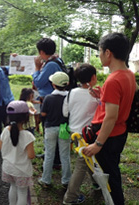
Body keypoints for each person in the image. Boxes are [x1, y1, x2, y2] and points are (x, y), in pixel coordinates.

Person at [83, 33, 136, 205]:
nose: (99, 56)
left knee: (110, 180)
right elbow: (120, 103)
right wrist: (103, 97)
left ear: (108, 53)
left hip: (108, 136)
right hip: (120, 133)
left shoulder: (113, 80)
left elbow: (111, 117)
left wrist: (98, 144)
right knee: (113, 173)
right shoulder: (128, 74)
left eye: (99, 52)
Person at [62, 64, 99, 204]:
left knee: (89, 157)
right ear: (93, 78)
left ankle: (96, 183)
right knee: (82, 164)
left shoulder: (71, 92)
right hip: (88, 134)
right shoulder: (95, 95)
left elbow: (65, 113)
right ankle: (70, 198)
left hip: (73, 132)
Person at [32, 38, 63, 167]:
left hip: (49, 101)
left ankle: (54, 159)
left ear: (42, 52)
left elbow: (39, 82)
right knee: (51, 128)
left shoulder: (50, 65)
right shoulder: (57, 60)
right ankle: (50, 154)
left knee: (49, 128)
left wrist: (37, 68)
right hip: (55, 100)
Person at [38, 72, 71, 188]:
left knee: (49, 155)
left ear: (53, 85)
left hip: (50, 128)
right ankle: (66, 181)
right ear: (67, 84)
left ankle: (46, 180)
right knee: (65, 155)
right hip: (65, 129)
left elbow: (43, 113)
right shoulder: (70, 97)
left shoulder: (48, 98)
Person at [0, 100, 35, 205]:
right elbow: (31, 155)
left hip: (8, 168)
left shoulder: (5, 130)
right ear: (25, 118)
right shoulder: (28, 136)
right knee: (22, 192)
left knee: (13, 187)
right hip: (21, 171)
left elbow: (0, 146)